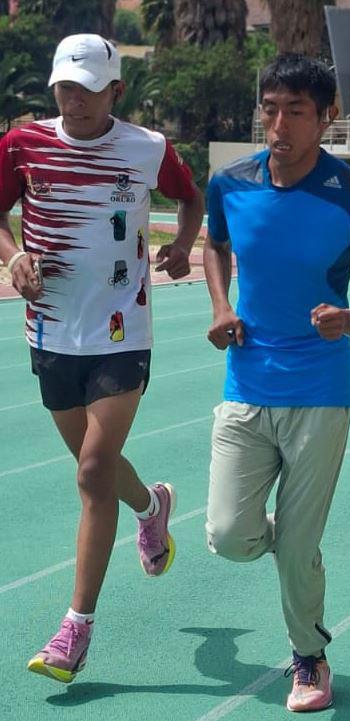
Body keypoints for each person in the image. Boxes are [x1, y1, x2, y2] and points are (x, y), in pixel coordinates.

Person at [202, 54, 350, 713]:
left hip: (320, 392)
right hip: (246, 382)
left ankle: (310, 656)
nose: (279, 123)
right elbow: (215, 245)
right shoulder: (230, 183)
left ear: (327, 118)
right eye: (270, 108)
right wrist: (220, 307)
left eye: (295, 110)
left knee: (298, 549)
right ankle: (286, 539)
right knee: (228, 535)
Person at [0, 34, 204, 683]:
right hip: (51, 331)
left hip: (123, 331)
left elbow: (190, 199)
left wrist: (182, 244)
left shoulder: (148, 149)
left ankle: (74, 630)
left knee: (92, 470)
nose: (73, 100)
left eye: (87, 88)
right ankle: (151, 508)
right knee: (101, 468)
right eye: (64, 86)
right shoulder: (21, 146)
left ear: (116, 90)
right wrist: (11, 257)